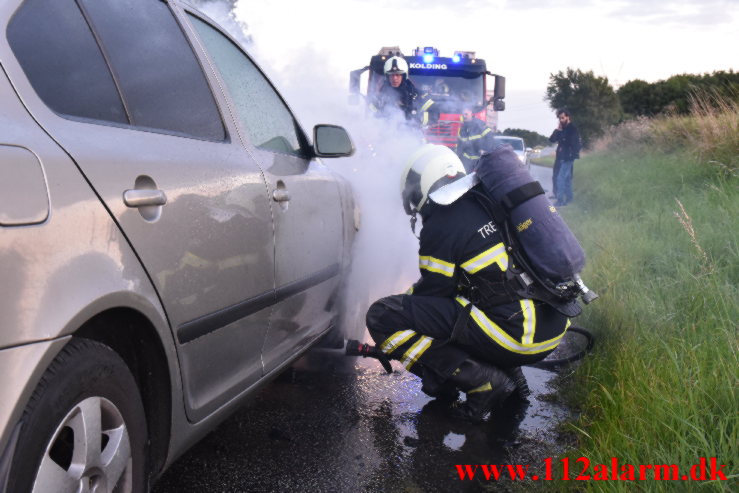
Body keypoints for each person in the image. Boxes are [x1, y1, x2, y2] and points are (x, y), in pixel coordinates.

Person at [363, 144, 570, 422]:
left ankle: (480, 382)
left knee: (383, 315)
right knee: (475, 302)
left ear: (423, 184)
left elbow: (434, 294)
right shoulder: (488, 200)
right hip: (551, 326)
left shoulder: (442, 221)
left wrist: (404, 304)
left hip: (516, 336)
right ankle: (512, 380)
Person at [369, 56, 437, 127]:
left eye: (398, 75)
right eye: (391, 75)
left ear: (404, 76)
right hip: (387, 135)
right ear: (387, 76)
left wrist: (418, 120)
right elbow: (370, 115)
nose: (394, 78)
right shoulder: (380, 98)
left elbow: (434, 114)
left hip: (411, 135)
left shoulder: (417, 96)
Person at [549, 109, 581, 206]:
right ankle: (569, 198)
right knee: (565, 178)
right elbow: (551, 139)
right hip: (560, 157)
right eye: (559, 118)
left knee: (561, 178)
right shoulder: (562, 129)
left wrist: (572, 154)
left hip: (568, 157)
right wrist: (557, 130)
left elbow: (572, 143)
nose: (561, 120)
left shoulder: (572, 129)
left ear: (567, 117)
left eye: (563, 118)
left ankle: (560, 200)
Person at [455, 105, 495, 172]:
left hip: (479, 162)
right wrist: (456, 158)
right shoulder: (462, 129)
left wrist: (485, 150)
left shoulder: (479, 125)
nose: (464, 116)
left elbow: (490, 139)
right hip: (466, 163)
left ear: (471, 113)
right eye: (463, 115)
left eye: (466, 114)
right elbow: (459, 145)